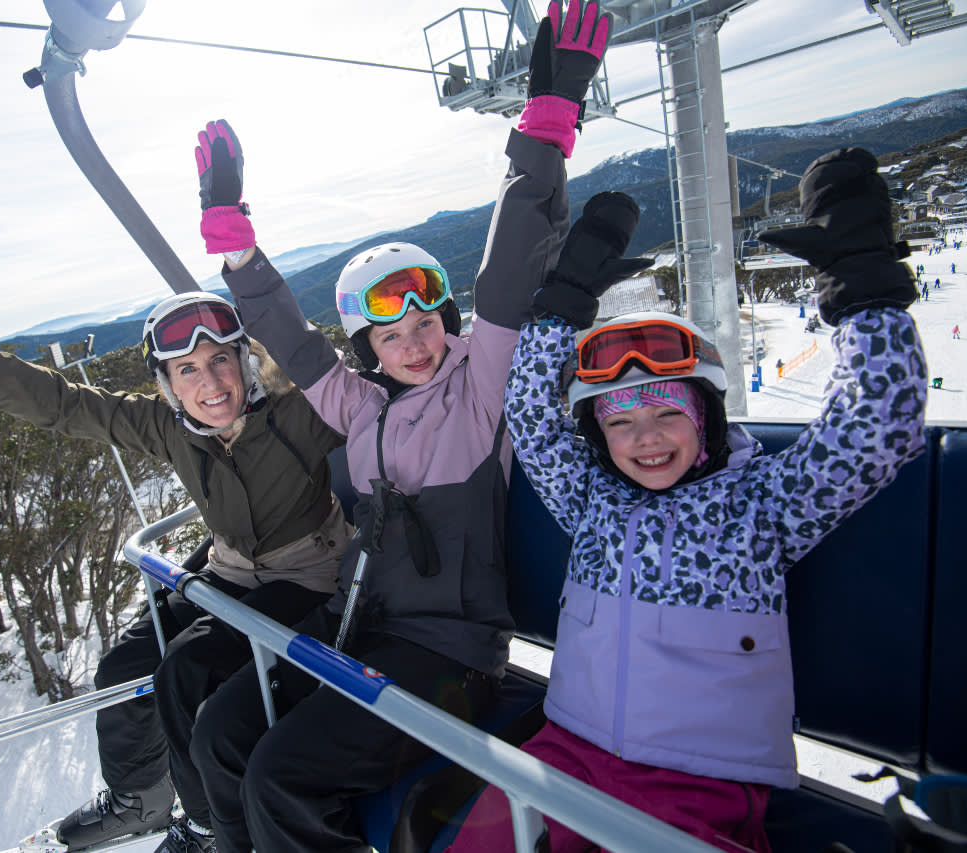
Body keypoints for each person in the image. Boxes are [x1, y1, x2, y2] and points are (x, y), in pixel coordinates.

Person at [153, 2, 619, 850]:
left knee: (280, 773)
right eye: (389, 334)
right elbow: (291, 341)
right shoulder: (358, 408)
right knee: (223, 730)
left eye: (425, 321)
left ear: (447, 320)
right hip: (360, 627)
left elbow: (508, 272)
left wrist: (546, 129)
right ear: (365, 348)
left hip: (452, 658)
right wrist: (234, 245)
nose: (414, 343)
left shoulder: (480, 389)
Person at [446, 147, 926, 852]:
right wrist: (563, 302)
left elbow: (877, 425)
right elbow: (530, 416)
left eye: (668, 413)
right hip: (566, 751)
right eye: (620, 423)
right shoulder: (592, 502)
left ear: (707, 416)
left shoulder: (764, 505)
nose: (646, 438)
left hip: (699, 778)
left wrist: (864, 286)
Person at [0, 246, 354, 852]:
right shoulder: (167, 427)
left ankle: (206, 828)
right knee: (121, 667)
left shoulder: (299, 412)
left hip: (307, 571)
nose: (211, 382)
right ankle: (140, 798)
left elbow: (379, 403)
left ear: (244, 360)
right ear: (168, 385)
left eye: (220, 359)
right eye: (188, 369)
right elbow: (58, 402)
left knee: (186, 670)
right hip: (230, 568)